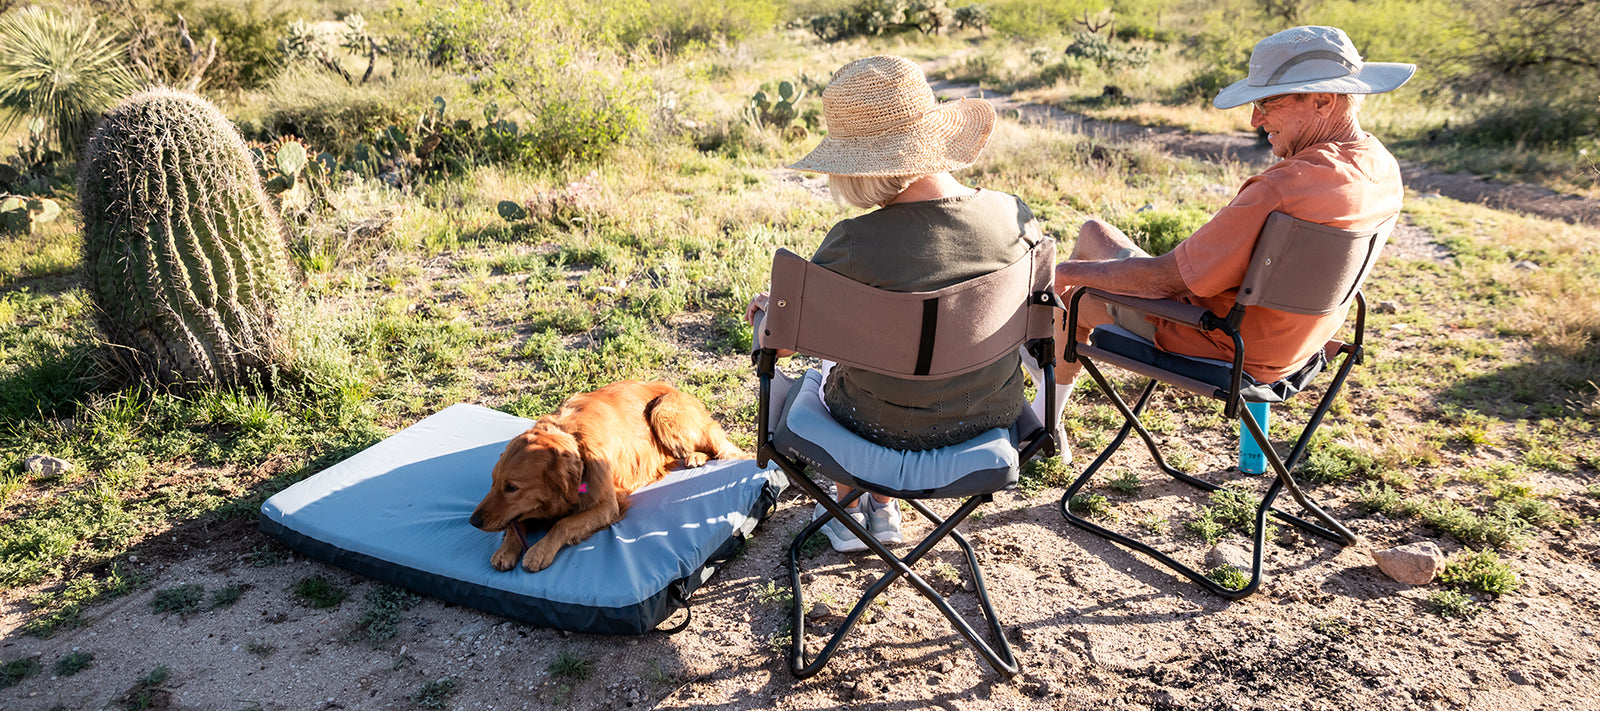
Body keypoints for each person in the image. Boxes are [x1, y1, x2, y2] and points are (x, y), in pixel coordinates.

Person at [1035, 25, 1416, 439]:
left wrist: (1069, 274)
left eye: (1268, 102)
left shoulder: (1282, 188)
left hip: (1224, 343)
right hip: (1300, 341)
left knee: (1069, 299)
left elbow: (1168, 279)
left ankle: (1044, 422)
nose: (1256, 118)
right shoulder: (1382, 168)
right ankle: (1042, 383)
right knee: (1094, 231)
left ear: (1323, 100)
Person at [745, 55, 1043, 553]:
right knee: (894, 366)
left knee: (836, 368)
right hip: (990, 415)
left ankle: (851, 511)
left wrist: (767, 317)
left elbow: (784, 349)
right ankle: (882, 508)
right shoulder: (1012, 215)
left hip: (876, 429)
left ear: (859, 166)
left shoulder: (852, 243)